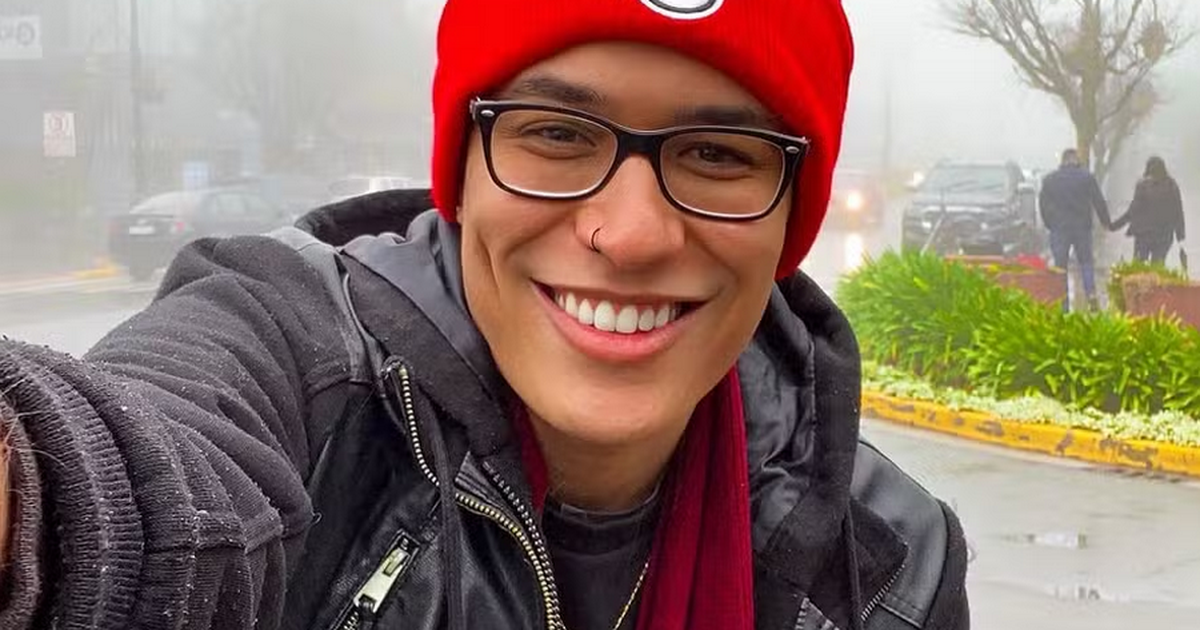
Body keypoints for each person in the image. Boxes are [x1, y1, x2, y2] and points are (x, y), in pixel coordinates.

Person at [0, 1, 970, 629]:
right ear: (460, 174)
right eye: (556, 134)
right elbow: (128, 470)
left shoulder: (889, 567)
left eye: (718, 155)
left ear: (790, 221)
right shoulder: (293, 354)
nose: (630, 234)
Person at [1039, 148, 1114, 311]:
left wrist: (1050, 223)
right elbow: (1098, 200)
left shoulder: (1050, 180)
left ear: (1063, 161)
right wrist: (1106, 222)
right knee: (1086, 262)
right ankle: (1091, 294)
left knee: (1060, 266)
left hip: (1059, 228)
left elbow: (1043, 205)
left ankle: (1063, 302)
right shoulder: (1087, 178)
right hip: (1082, 228)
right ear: (1075, 160)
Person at [1113, 156, 1186, 265]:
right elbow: (1178, 213)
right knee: (1157, 266)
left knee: (1139, 266)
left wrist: (1115, 225)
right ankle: (1156, 274)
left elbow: (1133, 211)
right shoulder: (1172, 186)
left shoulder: (1142, 185)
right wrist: (1180, 236)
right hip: (1164, 236)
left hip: (1143, 235)